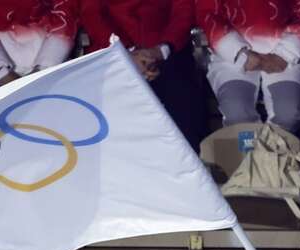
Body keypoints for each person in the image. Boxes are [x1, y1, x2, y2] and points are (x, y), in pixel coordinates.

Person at [80, 0, 206, 150]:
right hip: (112, 51)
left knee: (183, 100)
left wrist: (160, 50)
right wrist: (126, 52)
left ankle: (187, 167)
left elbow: (183, 11)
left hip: (167, 51)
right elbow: (91, 13)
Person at [195, 0, 300, 134]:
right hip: (232, 55)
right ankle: (248, 153)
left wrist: (285, 53)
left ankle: (277, 151)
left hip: (285, 55)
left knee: (288, 114)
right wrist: (239, 52)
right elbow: (208, 13)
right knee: (237, 114)